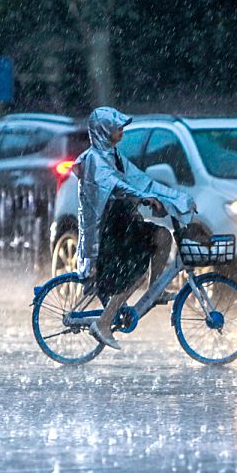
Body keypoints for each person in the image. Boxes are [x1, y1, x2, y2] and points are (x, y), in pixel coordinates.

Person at [74, 107, 196, 349]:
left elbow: (141, 180)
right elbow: (118, 185)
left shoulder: (114, 156)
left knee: (163, 236)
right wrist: (144, 198)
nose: (122, 132)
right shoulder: (94, 161)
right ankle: (104, 322)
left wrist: (177, 199)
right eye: (118, 128)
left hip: (125, 223)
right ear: (104, 131)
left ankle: (155, 290)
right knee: (135, 271)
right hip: (109, 231)